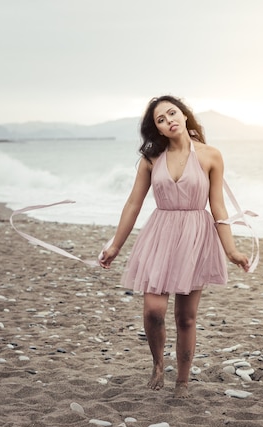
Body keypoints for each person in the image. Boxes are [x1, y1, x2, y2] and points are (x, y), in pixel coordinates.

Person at [98, 95, 250, 399]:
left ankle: (182, 381)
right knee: (154, 310)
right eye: (161, 119)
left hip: (196, 237)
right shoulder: (152, 159)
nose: (170, 120)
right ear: (158, 129)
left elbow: (218, 207)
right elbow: (133, 203)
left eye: (172, 113)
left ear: (184, 115)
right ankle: (157, 363)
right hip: (161, 234)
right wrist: (115, 245)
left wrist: (231, 250)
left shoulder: (210, 156)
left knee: (186, 317)